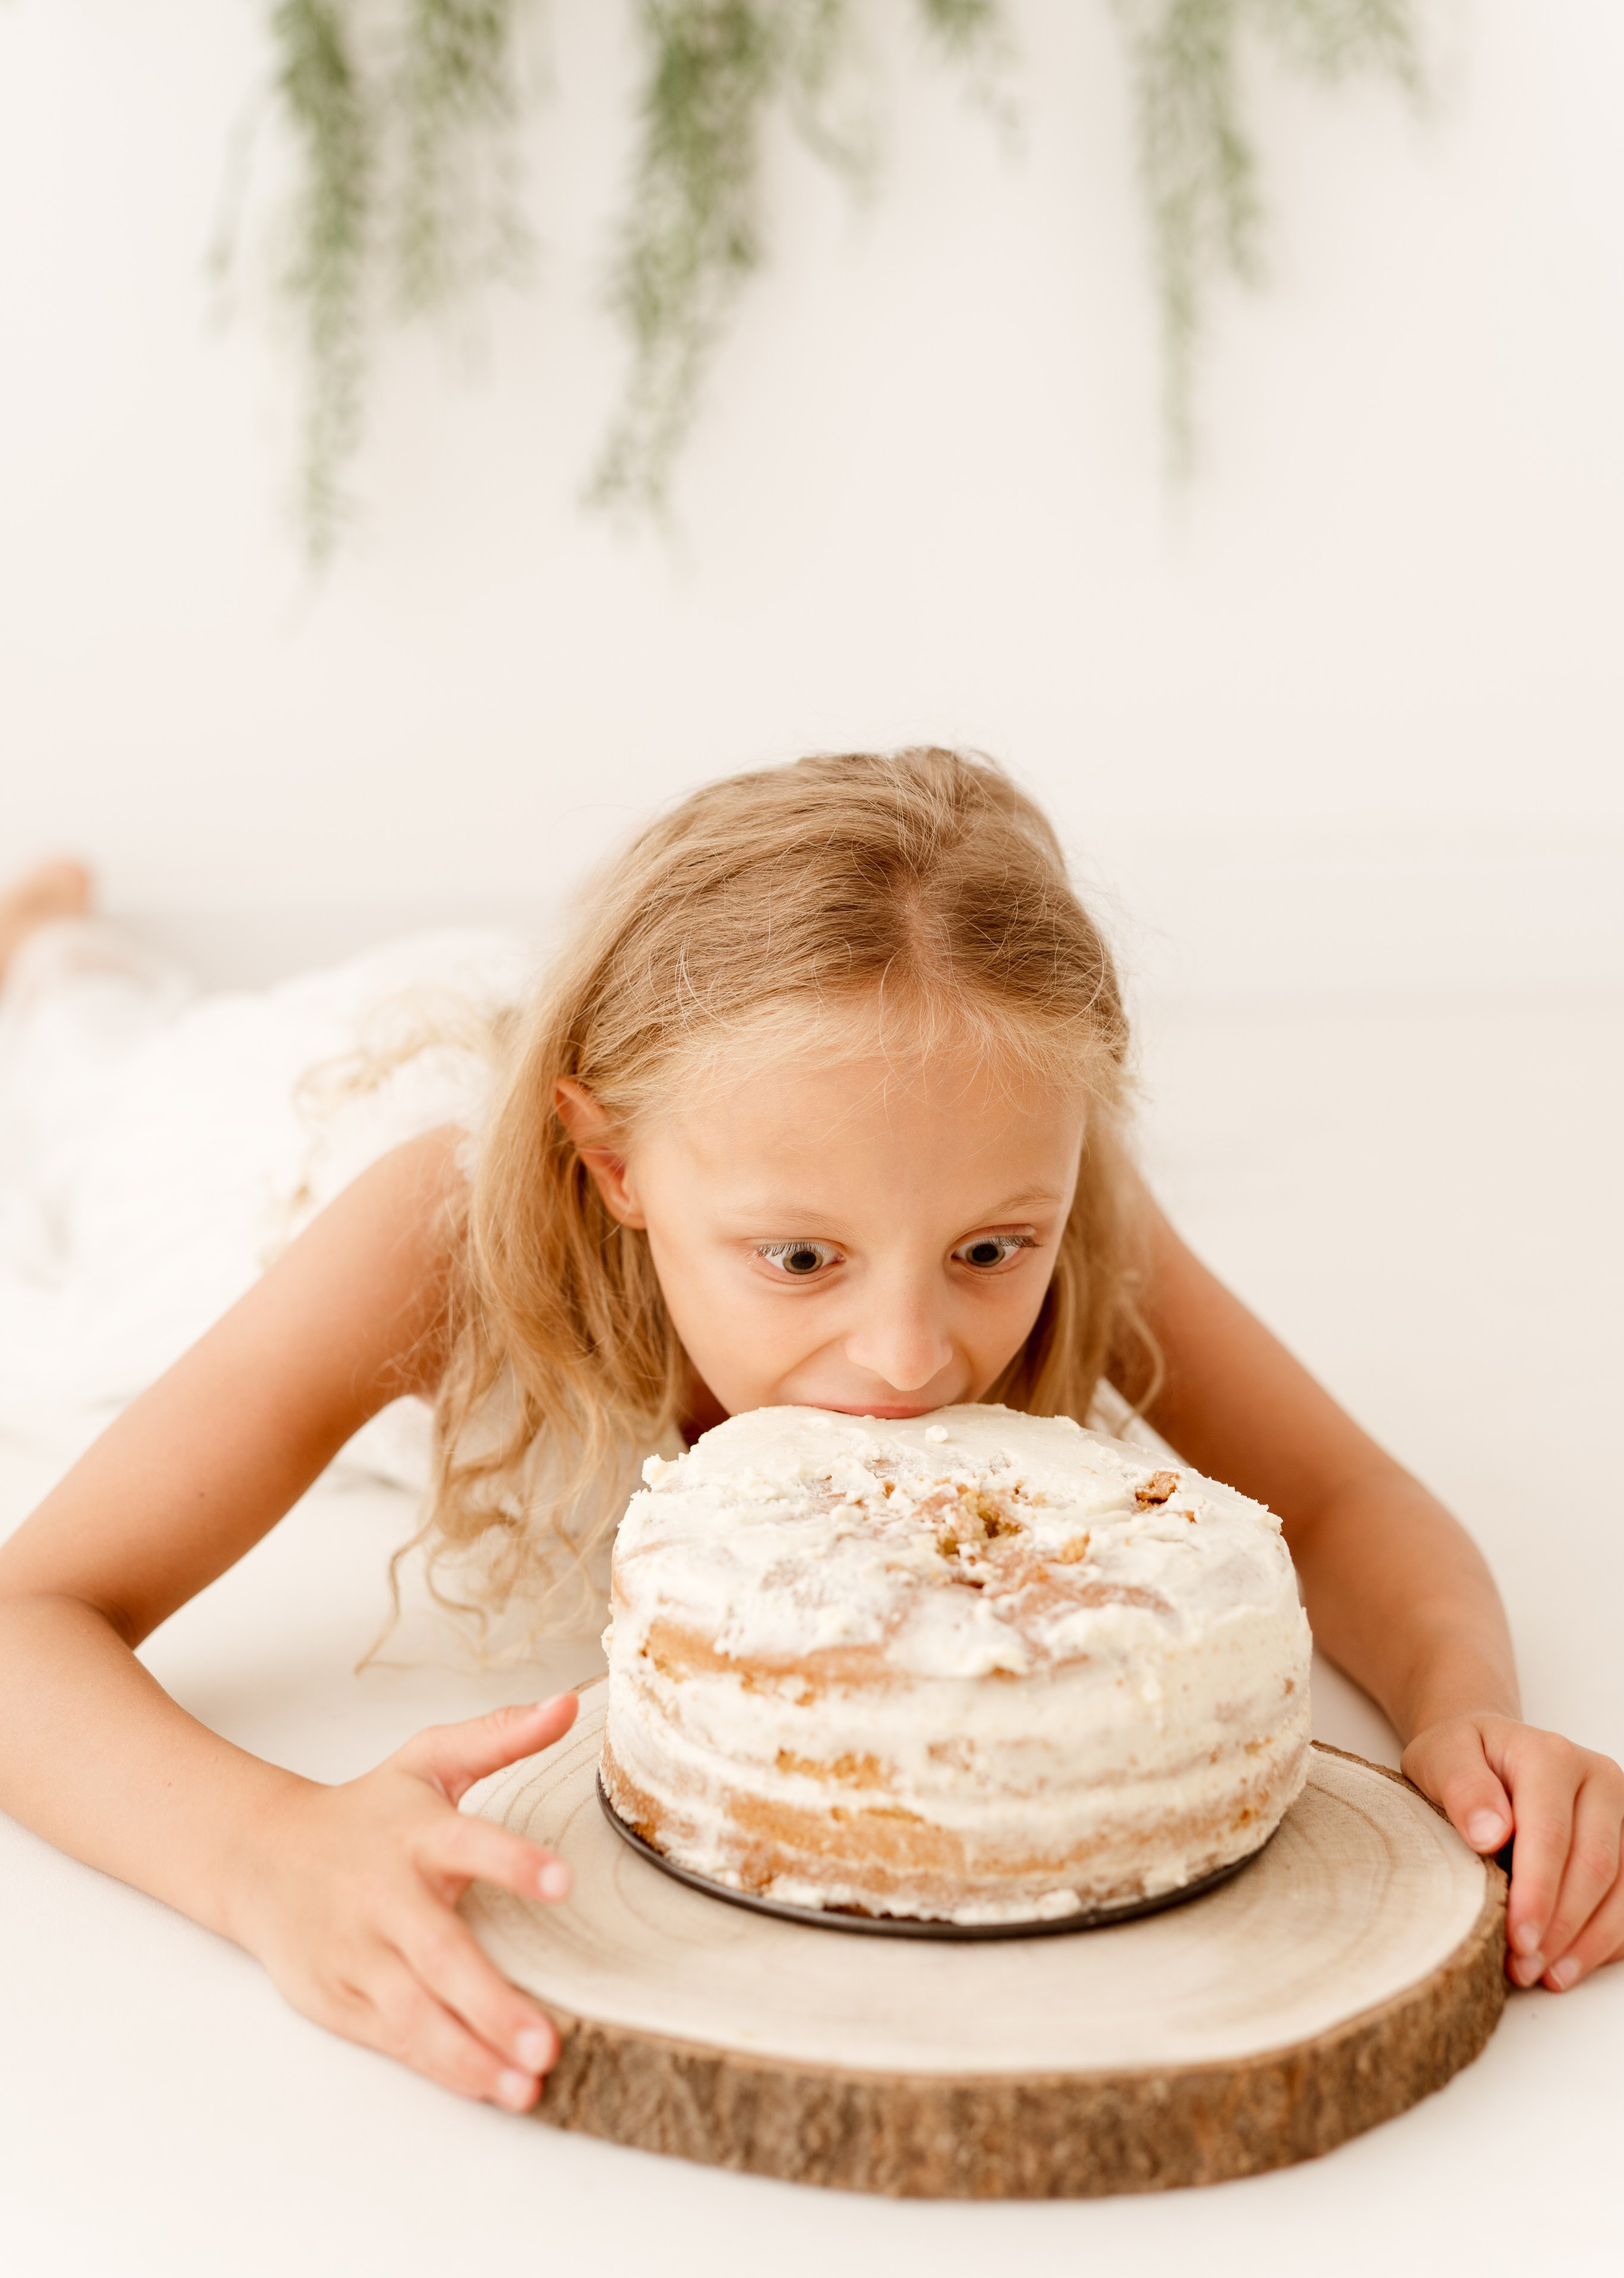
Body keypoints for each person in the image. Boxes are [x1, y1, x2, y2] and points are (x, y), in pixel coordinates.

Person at [0, 752, 1618, 2119]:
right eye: (796, 1260)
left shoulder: (1022, 1183)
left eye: (991, 1253)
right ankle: (58, 947)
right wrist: (258, 1852)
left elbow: (1336, 1497)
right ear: (616, 1168)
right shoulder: (429, 1236)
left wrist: (1467, 1718)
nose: (912, 1355)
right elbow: (25, 1622)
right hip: (248, 1155)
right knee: (93, 1083)